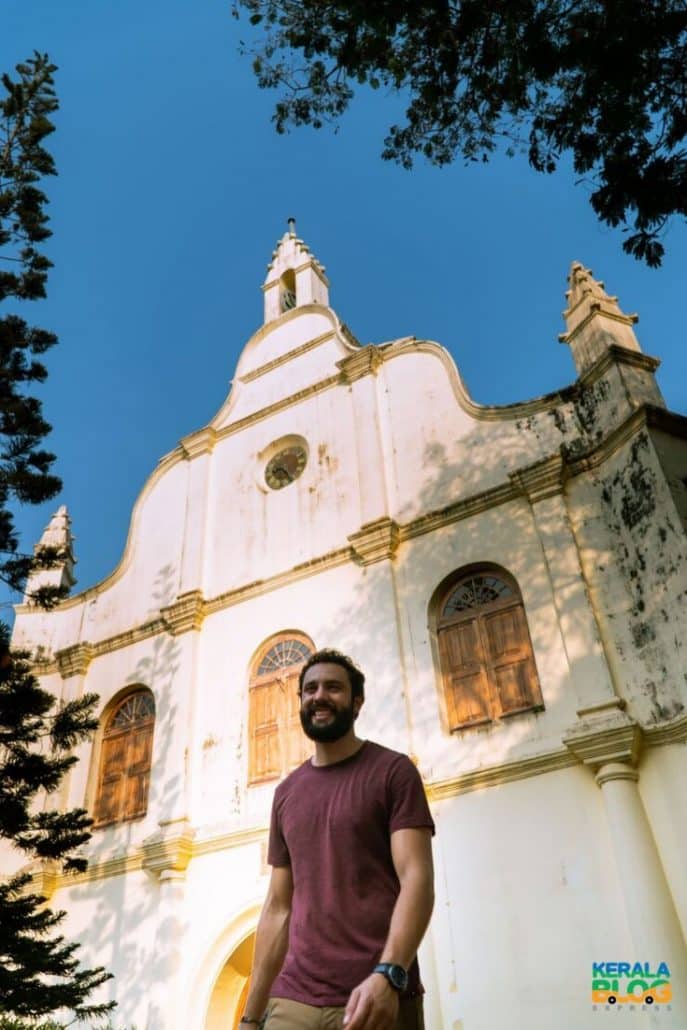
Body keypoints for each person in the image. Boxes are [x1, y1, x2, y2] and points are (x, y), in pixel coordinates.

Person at [240, 648, 435, 1030]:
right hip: (293, 1000)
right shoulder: (286, 793)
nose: (319, 696)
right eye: (309, 689)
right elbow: (278, 907)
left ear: (357, 702)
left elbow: (418, 879)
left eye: (333, 687)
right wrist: (250, 1016)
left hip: (375, 996)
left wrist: (389, 974)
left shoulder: (393, 773)